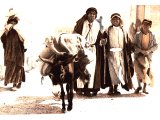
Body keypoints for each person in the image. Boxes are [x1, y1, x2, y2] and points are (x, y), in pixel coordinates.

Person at [100, 13, 134, 95]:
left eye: (117, 19)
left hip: (121, 54)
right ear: (111, 21)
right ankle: (111, 88)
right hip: (111, 54)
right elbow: (102, 41)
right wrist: (103, 43)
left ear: (120, 20)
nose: (116, 20)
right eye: (114, 19)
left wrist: (131, 49)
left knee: (120, 71)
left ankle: (116, 87)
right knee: (111, 72)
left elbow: (128, 42)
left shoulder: (123, 31)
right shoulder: (107, 30)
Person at [73, 7, 102, 96]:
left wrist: (101, 42)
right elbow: (74, 34)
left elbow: (98, 38)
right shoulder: (81, 23)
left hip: (92, 49)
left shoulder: (97, 25)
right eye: (90, 14)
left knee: (91, 69)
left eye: (94, 14)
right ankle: (80, 88)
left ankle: (88, 88)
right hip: (82, 49)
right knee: (82, 68)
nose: (92, 15)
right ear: (87, 14)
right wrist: (80, 43)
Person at [0, 8, 27, 91]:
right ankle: (11, 81)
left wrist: (14, 28)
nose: (12, 22)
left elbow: (23, 38)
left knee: (18, 66)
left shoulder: (18, 27)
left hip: (18, 50)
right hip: (9, 49)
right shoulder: (6, 27)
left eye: (13, 21)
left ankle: (16, 83)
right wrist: (6, 30)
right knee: (10, 65)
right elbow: (3, 37)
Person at [132, 19, 158, 94]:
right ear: (142, 25)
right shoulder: (137, 35)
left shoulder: (152, 35)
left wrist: (149, 51)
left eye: (147, 25)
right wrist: (140, 50)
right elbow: (133, 45)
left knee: (146, 71)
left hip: (147, 56)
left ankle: (144, 88)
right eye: (144, 24)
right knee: (138, 71)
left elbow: (156, 46)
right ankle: (139, 86)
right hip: (138, 56)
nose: (145, 26)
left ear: (150, 26)